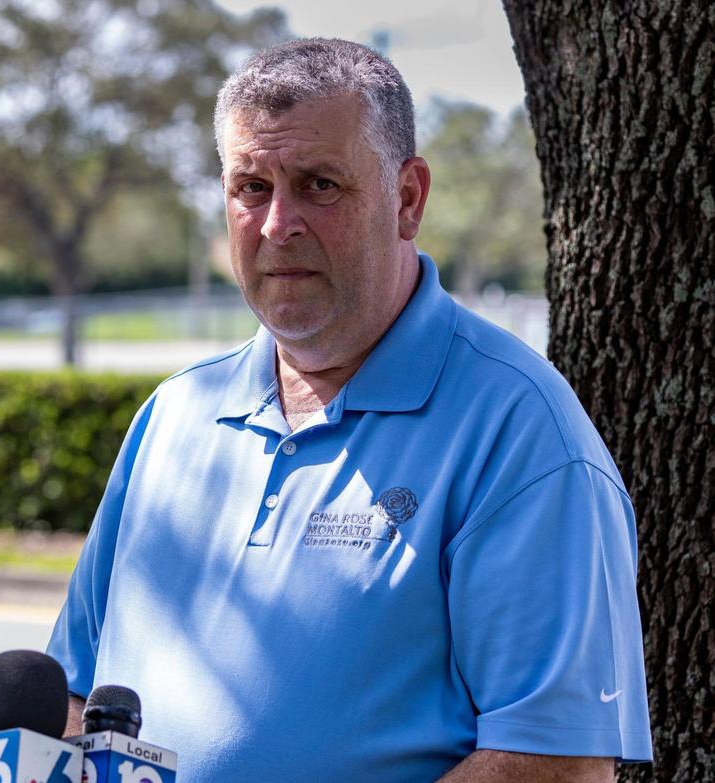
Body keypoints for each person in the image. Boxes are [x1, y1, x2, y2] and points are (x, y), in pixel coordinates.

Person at [46, 37, 652, 782]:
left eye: (319, 185)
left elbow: (556, 763)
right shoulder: (172, 417)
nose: (277, 224)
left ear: (407, 199)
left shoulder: (520, 432)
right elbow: (72, 690)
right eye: (251, 187)